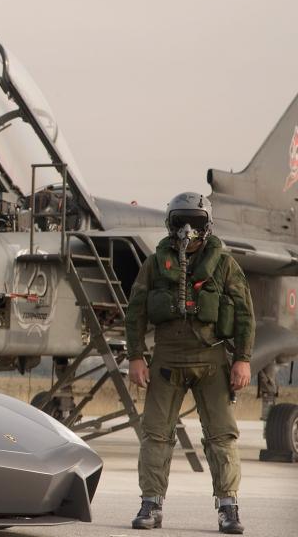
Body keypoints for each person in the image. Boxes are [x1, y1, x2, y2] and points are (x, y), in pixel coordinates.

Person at [125, 192, 253, 534]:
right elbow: (136, 311)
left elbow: (244, 314)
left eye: (194, 222)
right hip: (167, 360)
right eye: (180, 221)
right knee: (155, 434)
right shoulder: (155, 263)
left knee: (222, 437)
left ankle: (229, 507)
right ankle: (151, 503)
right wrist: (135, 356)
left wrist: (242, 359)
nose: (186, 229)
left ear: (207, 224)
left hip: (212, 359)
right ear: (170, 223)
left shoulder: (224, 264)